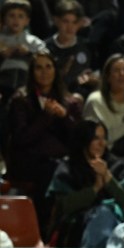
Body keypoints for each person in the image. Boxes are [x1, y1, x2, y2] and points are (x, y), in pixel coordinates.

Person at [5, 51, 82, 233]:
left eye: (48, 66)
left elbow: (79, 138)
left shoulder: (68, 102)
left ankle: (69, 231)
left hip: (61, 162)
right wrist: (46, 116)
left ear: (55, 70)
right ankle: (45, 229)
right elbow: (21, 139)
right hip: (29, 162)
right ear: (31, 72)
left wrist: (65, 117)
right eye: (38, 67)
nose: (44, 72)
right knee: (51, 171)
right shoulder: (21, 100)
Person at [46, 118, 124, 247]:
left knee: (105, 214)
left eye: (104, 138)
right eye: (96, 138)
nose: (102, 143)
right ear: (83, 140)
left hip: (115, 224)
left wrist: (107, 177)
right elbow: (65, 205)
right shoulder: (68, 168)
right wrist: (95, 189)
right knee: (102, 214)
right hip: (75, 227)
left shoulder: (116, 165)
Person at [45, 0, 98, 98]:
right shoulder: (46, 48)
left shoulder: (87, 46)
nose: (70, 27)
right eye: (65, 21)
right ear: (56, 21)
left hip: (83, 98)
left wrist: (93, 79)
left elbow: (96, 73)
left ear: (80, 23)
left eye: (74, 22)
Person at [0, 0, 48, 100]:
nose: (16, 20)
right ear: (4, 19)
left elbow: (46, 58)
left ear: (27, 21)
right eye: (12, 16)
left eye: (20, 16)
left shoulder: (33, 41)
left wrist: (29, 53)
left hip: (27, 84)